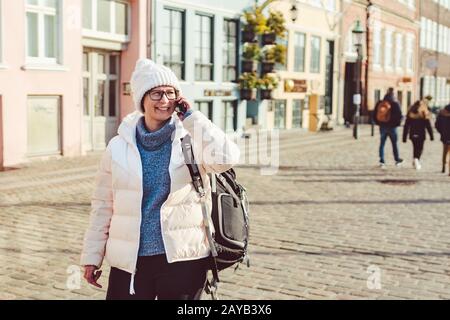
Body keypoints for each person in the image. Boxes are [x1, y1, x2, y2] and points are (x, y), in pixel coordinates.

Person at [80, 59, 240, 300]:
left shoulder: (190, 141)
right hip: (130, 260)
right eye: (156, 93)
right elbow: (103, 205)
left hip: (183, 258)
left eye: (170, 93)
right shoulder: (118, 146)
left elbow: (227, 157)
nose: (164, 100)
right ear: (142, 99)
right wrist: (92, 256)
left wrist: (192, 117)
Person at [373, 88, 404, 169]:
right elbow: (400, 115)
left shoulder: (380, 103)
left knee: (382, 144)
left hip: (382, 126)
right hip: (392, 127)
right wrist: (397, 124)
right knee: (394, 144)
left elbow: (374, 113)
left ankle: (382, 161)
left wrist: (379, 123)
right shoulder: (395, 103)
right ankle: (397, 160)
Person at [402, 101, 434, 170]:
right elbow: (428, 125)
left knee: (415, 147)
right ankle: (416, 160)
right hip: (421, 134)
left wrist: (404, 137)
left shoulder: (410, 113)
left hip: (413, 133)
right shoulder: (423, 113)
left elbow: (406, 126)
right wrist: (431, 135)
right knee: (420, 148)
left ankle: (415, 161)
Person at [435, 103, 450, 175]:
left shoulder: (441, 113)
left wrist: (442, 132)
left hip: (445, 136)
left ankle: (443, 166)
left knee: (445, 152)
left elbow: (437, 125)